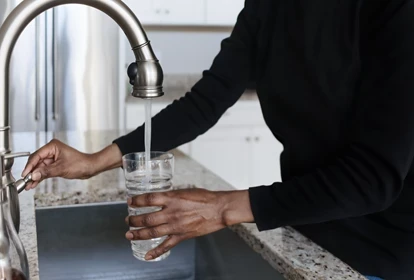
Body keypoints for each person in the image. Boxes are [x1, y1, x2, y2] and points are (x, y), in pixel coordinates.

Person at [22, 0, 414, 279]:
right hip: (306, 230)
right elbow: (206, 101)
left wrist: (224, 208)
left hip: (384, 252)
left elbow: (373, 178)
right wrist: (95, 161)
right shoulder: (268, 6)